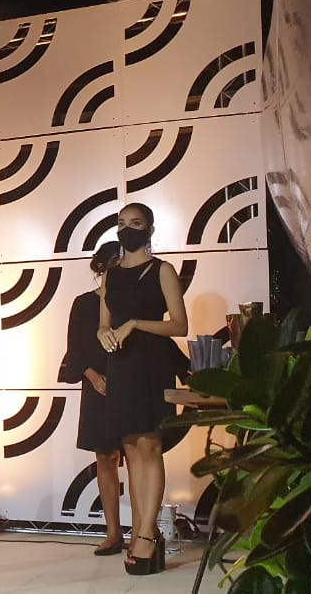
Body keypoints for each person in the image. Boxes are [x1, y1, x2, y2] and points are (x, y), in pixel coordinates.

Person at [96, 202, 188, 576]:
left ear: (149, 229)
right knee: (131, 449)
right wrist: (104, 334)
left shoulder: (162, 270)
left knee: (149, 446)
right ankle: (140, 533)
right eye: (121, 223)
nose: (127, 229)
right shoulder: (110, 274)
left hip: (151, 364)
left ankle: (147, 535)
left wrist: (135, 323)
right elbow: (103, 325)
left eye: (135, 223)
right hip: (119, 366)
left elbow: (179, 325)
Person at [58, 240, 123, 556]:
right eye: (114, 265)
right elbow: (75, 349)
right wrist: (94, 377)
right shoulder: (84, 303)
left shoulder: (134, 304)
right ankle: (113, 533)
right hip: (98, 389)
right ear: (102, 267)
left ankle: (146, 533)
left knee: (142, 457)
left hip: (133, 387)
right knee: (105, 458)